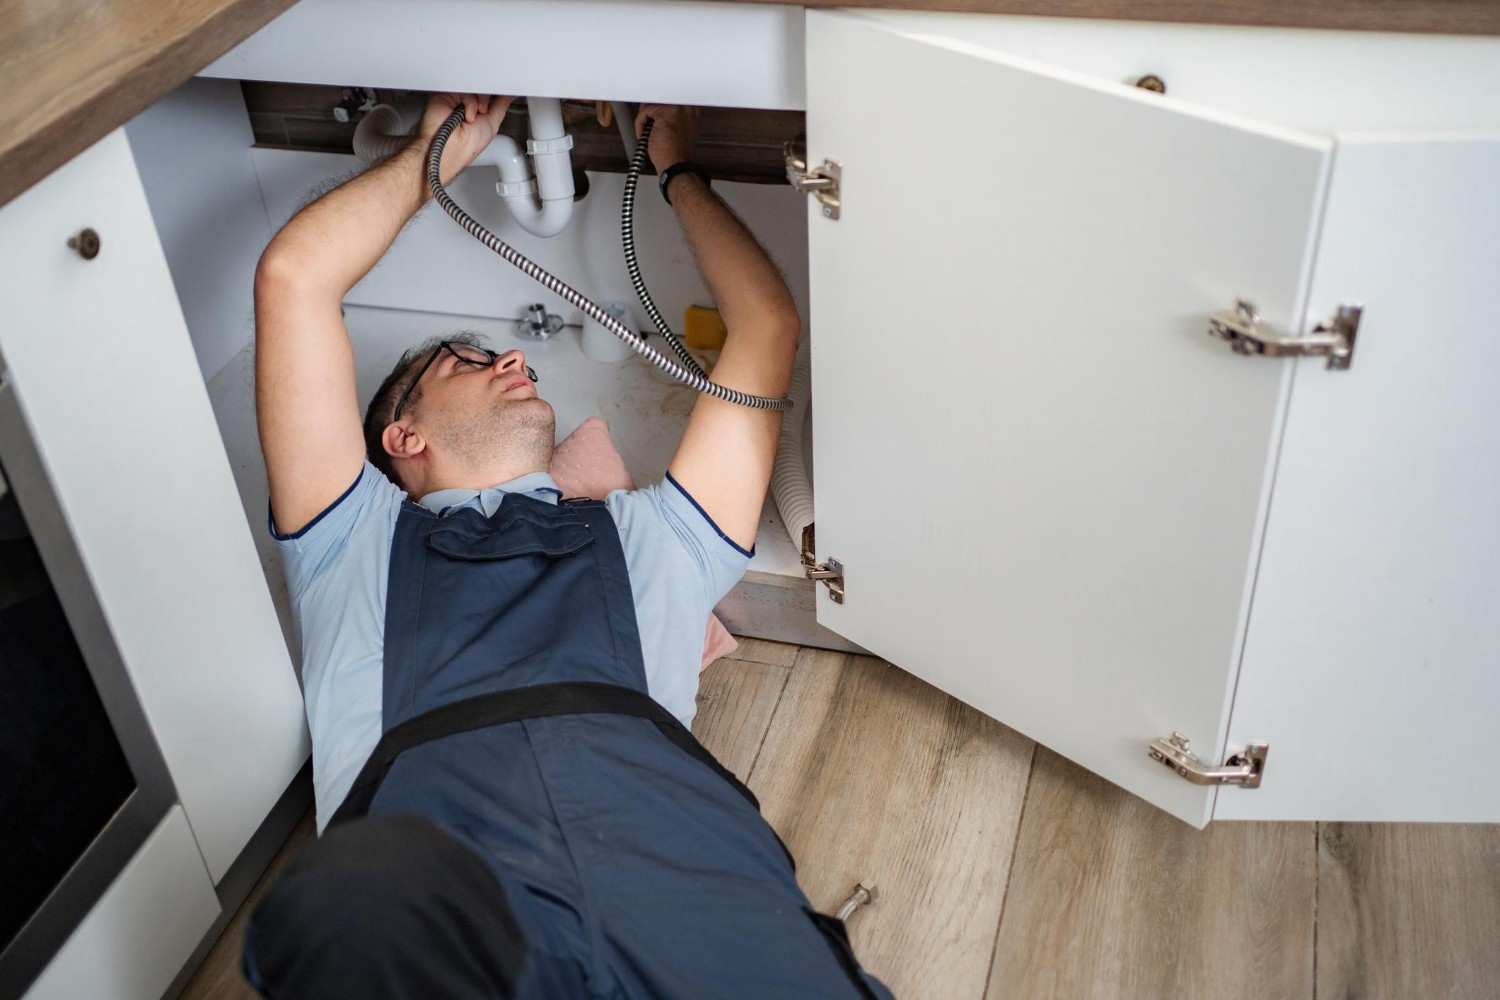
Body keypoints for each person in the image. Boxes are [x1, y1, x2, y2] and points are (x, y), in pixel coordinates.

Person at [243, 92, 891, 998]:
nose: (513, 359)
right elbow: (294, 277)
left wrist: (679, 171)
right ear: (402, 441)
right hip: (427, 873)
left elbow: (766, 329)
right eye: (465, 364)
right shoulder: (346, 535)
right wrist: (436, 153)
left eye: (502, 357)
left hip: (672, 850)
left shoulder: (656, 532)